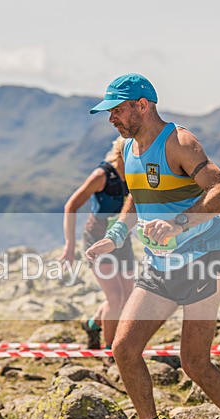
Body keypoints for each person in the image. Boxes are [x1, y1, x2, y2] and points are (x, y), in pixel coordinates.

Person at [86, 73, 220, 419]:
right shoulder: (129, 149)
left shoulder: (180, 142)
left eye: (116, 110)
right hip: (159, 265)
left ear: (141, 105)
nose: (111, 118)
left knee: (194, 362)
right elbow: (137, 196)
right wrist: (115, 236)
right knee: (124, 349)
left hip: (203, 260)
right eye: (109, 112)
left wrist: (180, 222)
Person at [60, 136, 135, 350]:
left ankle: (93, 325)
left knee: (128, 298)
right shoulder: (101, 175)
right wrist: (70, 245)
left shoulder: (134, 175)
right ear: (123, 152)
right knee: (115, 297)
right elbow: (71, 206)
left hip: (121, 238)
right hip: (97, 237)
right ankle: (112, 351)